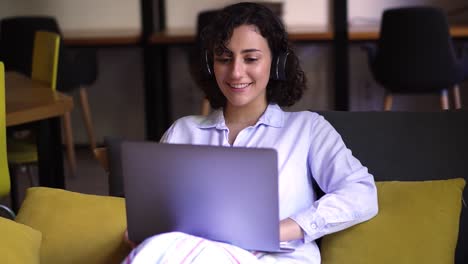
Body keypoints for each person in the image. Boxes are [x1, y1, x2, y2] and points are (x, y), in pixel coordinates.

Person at [123, 2, 378, 263]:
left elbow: (361, 193)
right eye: (224, 58)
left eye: (251, 58)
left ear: (276, 63)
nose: (236, 72)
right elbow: (157, 212)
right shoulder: (183, 131)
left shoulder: (307, 128)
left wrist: (283, 229)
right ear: (211, 65)